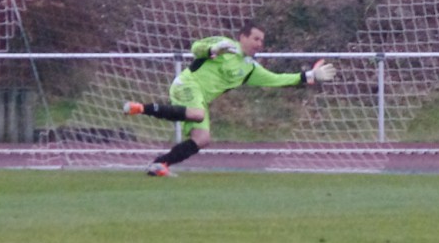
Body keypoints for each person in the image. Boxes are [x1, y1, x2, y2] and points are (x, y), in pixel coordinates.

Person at [123, 23, 337, 176]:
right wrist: (212, 49)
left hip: (199, 99)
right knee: (197, 114)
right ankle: (141, 108)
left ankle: (159, 165)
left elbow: (277, 79)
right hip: (187, 84)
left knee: (202, 139)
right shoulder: (224, 44)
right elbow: (196, 48)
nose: (259, 44)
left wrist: (308, 76)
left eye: (262, 41)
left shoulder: (250, 68)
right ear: (242, 37)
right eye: (255, 39)